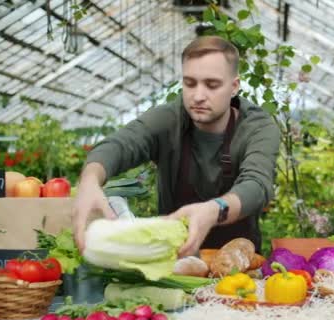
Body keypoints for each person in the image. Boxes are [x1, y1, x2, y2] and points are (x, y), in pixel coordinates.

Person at [72, 36, 281, 256]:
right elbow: (120, 144)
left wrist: (213, 210)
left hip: (238, 267)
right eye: (190, 83)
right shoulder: (169, 120)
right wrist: (90, 179)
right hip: (173, 261)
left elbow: (258, 184)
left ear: (234, 86)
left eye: (212, 85)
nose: (198, 96)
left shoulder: (257, 127)